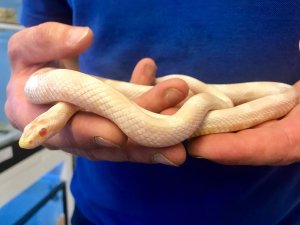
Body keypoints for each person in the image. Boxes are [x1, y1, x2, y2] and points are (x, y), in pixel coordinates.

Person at [5, 1, 300, 224]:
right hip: (102, 209)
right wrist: (31, 71)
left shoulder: (278, 97)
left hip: (276, 211)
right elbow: (49, 52)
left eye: (41, 131)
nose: (37, 136)